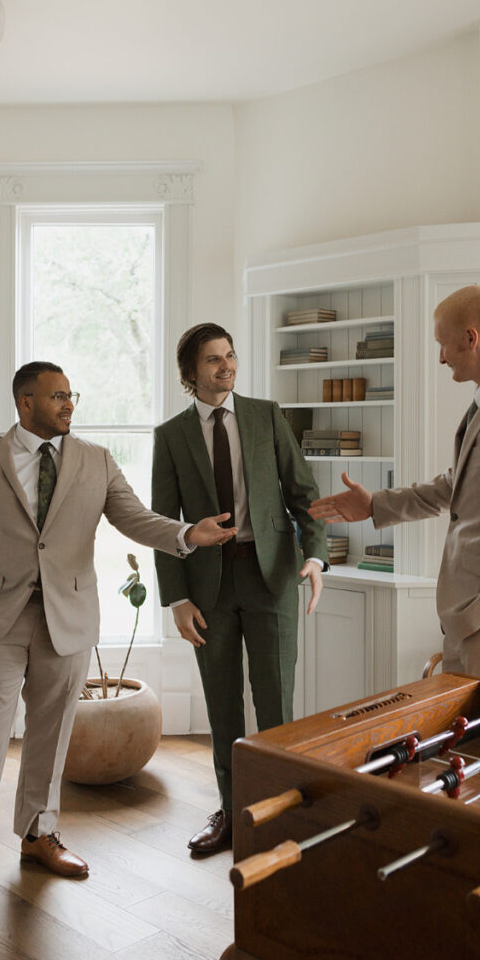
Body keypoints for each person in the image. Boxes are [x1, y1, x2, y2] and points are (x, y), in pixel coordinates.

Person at [0, 361, 236, 916]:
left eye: (72, 395)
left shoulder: (95, 460)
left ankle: (38, 835)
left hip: (65, 618)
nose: (70, 404)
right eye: (58, 396)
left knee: (51, 734)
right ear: (25, 402)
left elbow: (135, 519)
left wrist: (188, 534)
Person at [310, 286, 480, 689]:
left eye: (443, 344)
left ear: (471, 337)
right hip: (469, 623)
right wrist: (375, 505)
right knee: (468, 752)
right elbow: (457, 487)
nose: (440, 356)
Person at [152, 323, 328, 855]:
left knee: (276, 704)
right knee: (223, 707)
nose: (225, 366)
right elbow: (163, 523)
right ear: (190, 373)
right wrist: (177, 599)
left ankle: (280, 812)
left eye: (230, 355)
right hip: (208, 588)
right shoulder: (171, 435)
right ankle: (231, 813)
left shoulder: (265, 415)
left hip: (271, 576)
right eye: (212, 359)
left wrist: (316, 556)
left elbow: (304, 494)